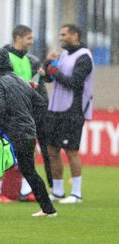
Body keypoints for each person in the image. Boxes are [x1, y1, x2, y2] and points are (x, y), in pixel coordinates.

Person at [0, 48, 57, 219]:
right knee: (29, 171)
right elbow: (40, 103)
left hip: (10, 134)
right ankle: (48, 209)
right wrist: (27, 120)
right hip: (27, 133)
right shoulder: (21, 81)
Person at [0, 25, 53, 203]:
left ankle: (26, 191)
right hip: (8, 112)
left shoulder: (29, 60)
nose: (31, 42)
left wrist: (32, 84)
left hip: (25, 113)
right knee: (2, 150)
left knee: (30, 149)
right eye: (29, 38)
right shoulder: (4, 55)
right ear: (18, 37)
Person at [44, 24, 93, 204]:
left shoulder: (84, 57)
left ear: (75, 35)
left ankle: (76, 193)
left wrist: (54, 72)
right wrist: (48, 64)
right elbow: (49, 77)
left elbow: (75, 83)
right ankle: (57, 192)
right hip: (55, 108)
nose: (61, 37)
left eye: (64, 34)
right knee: (52, 150)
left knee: (71, 150)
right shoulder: (64, 55)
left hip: (72, 110)